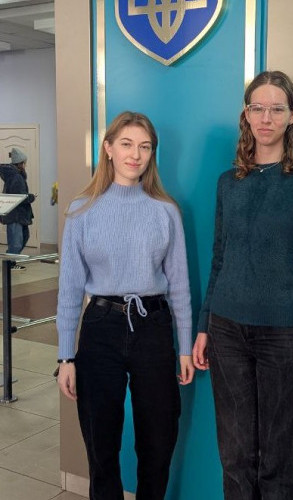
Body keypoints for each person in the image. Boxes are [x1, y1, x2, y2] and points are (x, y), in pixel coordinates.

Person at [192, 70, 293, 499]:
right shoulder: (228, 182)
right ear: (246, 115)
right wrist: (204, 324)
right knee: (235, 456)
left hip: (285, 336)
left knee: (278, 458)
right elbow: (219, 258)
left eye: (276, 109)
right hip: (226, 329)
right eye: (258, 108)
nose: (266, 118)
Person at [56, 111, 194, 500]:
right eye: (127, 144)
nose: (136, 155)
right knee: (100, 441)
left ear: (152, 154)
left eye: (145, 147)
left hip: (153, 327)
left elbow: (180, 285)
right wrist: (66, 356)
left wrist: (185, 346)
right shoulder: (82, 210)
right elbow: (69, 289)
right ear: (108, 149)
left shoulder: (166, 211)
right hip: (100, 327)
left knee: (159, 439)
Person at [0, 147, 36, 270]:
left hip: (18, 214)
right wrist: (31, 197)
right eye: (24, 162)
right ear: (20, 163)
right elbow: (19, 197)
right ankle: (10, 264)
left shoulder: (16, 175)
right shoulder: (16, 177)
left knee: (24, 236)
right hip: (15, 215)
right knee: (16, 242)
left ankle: (11, 260)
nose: (25, 165)